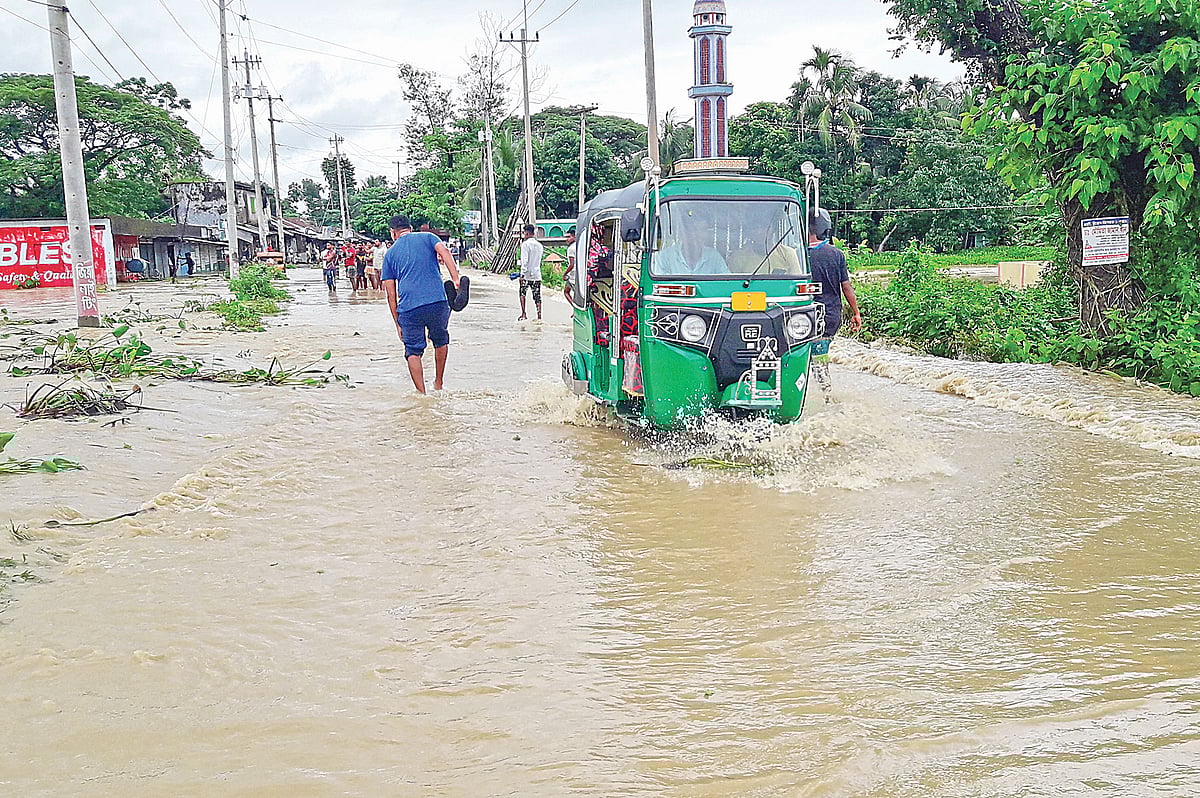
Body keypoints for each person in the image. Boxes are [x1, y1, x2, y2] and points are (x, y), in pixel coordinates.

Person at [381, 214, 462, 394]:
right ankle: (439, 383)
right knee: (440, 340)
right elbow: (445, 252)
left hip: (409, 307)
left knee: (413, 351)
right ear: (410, 227)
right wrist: (456, 279)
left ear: (393, 233)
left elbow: (390, 293)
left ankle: (422, 394)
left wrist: (397, 323)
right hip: (437, 301)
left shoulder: (390, 254)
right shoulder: (428, 237)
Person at [807, 209, 862, 401]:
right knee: (820, 359)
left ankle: (812, 396)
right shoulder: (835, 254)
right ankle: (825, 396)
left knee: (801, 358)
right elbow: (846, 287)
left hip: (799, 317)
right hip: (829, 317)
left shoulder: (798, 254)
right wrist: (856, 313)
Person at [655, 214, 729, 275]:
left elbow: (727, 283)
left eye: (703, 230)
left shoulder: (714, 257)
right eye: (695, 230)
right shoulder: (665, 257)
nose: (700, 235)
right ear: (684, 233)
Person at [518, 224, 544, 321]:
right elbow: (539, 261)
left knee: (522, 293)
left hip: (527, 275)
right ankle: (539, 316)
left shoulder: (525, 245)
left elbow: (524, 261)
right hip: (537, 274)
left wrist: (522, 275)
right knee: (537, 296)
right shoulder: (539, 245)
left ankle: (524, 313)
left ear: (527, 233)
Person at [563, 229, 577, 302]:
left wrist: (564, 274)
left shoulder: (571, 249)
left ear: (574, 237)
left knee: (566, 292)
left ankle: (574, 307)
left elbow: (571, 265)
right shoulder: (580, 246)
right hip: (581, 274)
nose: (567, 239)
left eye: (569, 237)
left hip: (573, 275)